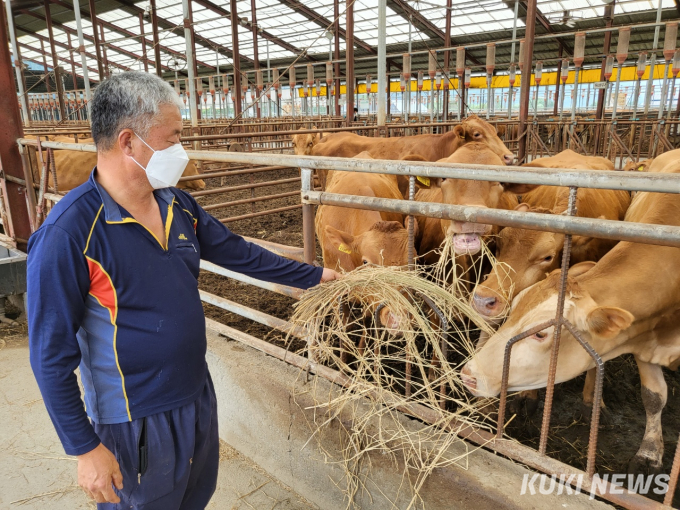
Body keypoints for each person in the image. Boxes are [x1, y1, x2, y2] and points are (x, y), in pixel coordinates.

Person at [26, 71, 340, 510]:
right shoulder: (69, 233)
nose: (181, 150)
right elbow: (48, 353)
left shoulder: (177, 203)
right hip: (132, 419)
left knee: (195, 497)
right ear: (129, 141)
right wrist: (83, 447)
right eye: (172, 138)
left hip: (195, 394)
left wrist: (313, 276)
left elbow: (236, 251)